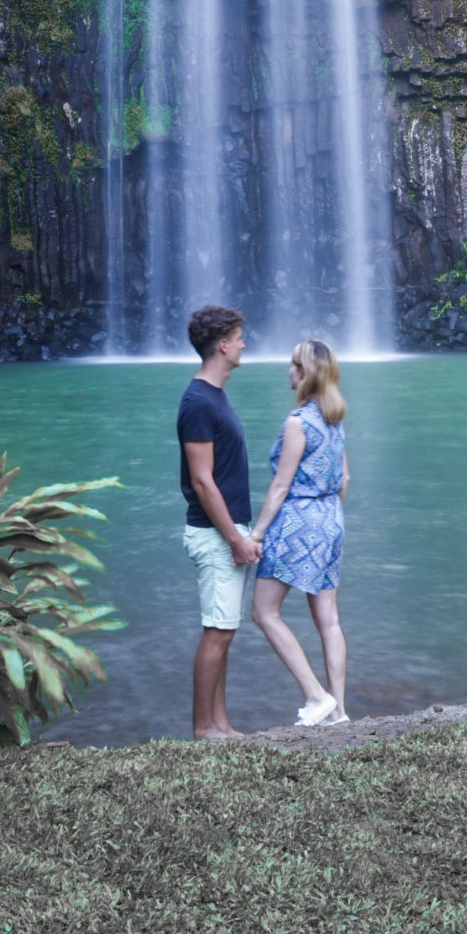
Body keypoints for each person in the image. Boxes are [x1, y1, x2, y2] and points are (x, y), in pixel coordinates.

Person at [250, 338, 350, 726]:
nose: (288, 370)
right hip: (331, 519)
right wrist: (327, 514)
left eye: (293, 364)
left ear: (305, 373)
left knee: (264, 612)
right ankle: (338, 711)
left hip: (297, 522)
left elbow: (280, 487)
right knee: (329, 620)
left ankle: (316, 696)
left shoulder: (299, 423)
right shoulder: (335, 420)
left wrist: (257, 535)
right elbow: (344, 479)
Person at [177, 304, 259, 740]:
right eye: (240, 337)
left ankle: (221, 725)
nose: (245, 343)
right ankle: (202, 731)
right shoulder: (197, 402)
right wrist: (234, 539)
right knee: (216, 633)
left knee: (224, 632)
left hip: (226, 532)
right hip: (214, 535)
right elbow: (202, 481)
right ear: (222, 344)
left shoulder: (214, 396)